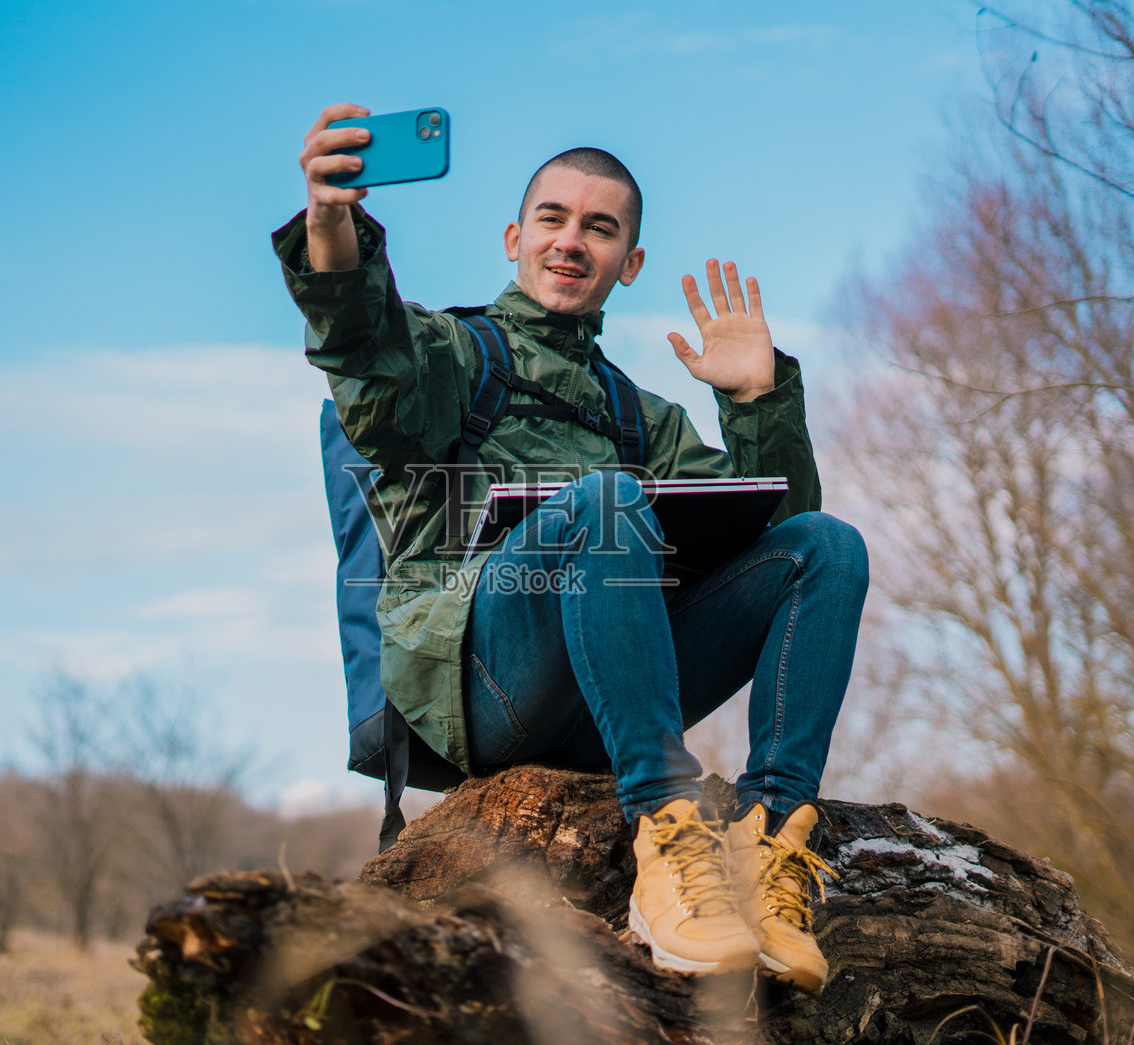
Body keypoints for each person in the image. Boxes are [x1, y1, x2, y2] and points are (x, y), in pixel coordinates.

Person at [275, 104, 869, 992]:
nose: (570, 241)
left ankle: (770, 843)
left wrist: (757, 405)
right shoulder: (451, 355)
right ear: (515, 237)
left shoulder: (641, 418)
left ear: (628, 265)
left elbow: (776, 540)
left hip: (612, 694)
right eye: (552, 219)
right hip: (479, 684)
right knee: (603, 501)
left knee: (827, 546)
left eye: (600, 227)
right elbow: (370, 359)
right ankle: (667, 837)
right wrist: (333, 227)